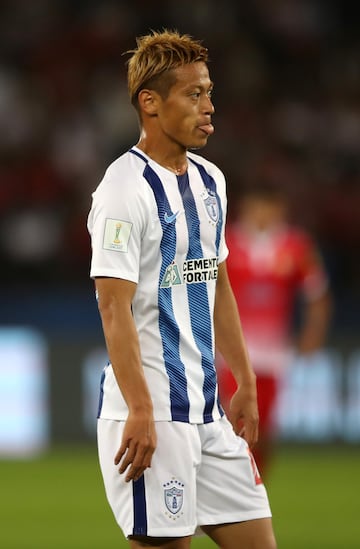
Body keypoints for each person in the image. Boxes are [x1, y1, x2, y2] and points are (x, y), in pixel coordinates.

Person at [87, 30, 277, 549]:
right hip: (154, 417)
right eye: (194, 95)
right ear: (150, 102)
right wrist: (142, 411)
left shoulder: (211, 180)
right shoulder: (123, 191)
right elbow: (112, 306)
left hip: (210, 415)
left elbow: (215, 282)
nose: (209, 107)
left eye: (209, 92)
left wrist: (245, 378)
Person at [217, 184, 331, 477]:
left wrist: (312, 335)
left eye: (269, 207)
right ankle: (231, 489)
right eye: (258, 206)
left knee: (263, 428)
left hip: (273, 354)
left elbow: (317, 295)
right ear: (246, 208)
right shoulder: (226, 242)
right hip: (232, 352)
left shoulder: (296, 246)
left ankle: (255, 485)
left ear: (280, 209)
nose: (263, 214)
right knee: (233, 423)